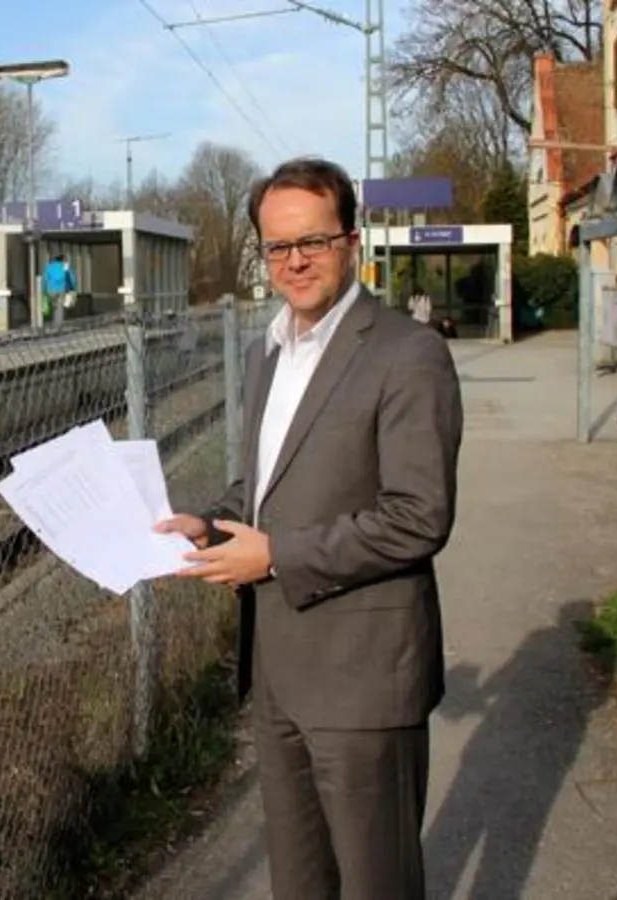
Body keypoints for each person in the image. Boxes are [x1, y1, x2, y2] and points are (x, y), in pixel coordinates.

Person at [155, 156, 463, 900]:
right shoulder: (269, 353)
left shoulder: (407, 353)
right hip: (279, 677)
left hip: (364, 677)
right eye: (278, 247)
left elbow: (420, 517)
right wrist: (212, 522)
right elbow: (263, 488)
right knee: (299, 882)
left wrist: (275, 556)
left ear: (351, 241)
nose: (295, 262)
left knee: (375, 883)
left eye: (313, 242)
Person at [43, 253, 76, 327]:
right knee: (59, 308)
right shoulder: (64, 266)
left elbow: (45, 278)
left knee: (52, 306)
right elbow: (71, 278)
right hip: (61, 289)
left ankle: (51, 322)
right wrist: (72, 288)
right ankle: (58, 325)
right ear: (62, 260)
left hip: (50, 290)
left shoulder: (49, 266)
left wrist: (43, 289)